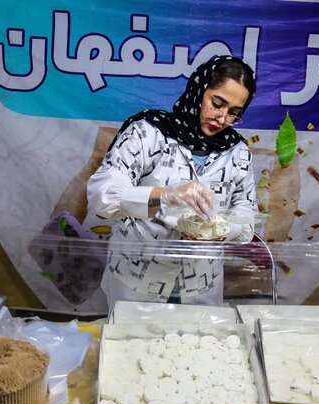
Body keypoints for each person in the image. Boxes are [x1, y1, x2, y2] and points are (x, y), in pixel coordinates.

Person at [87, 55, 258, 308]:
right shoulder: (148, 133)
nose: (222, 118)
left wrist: (220, 231)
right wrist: (164, 196)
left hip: (201, 285)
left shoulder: (237, 152)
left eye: (234, 113)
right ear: (199, 91)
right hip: (137, 282)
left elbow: (246, 216)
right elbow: (103, 196)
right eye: (217, 103)